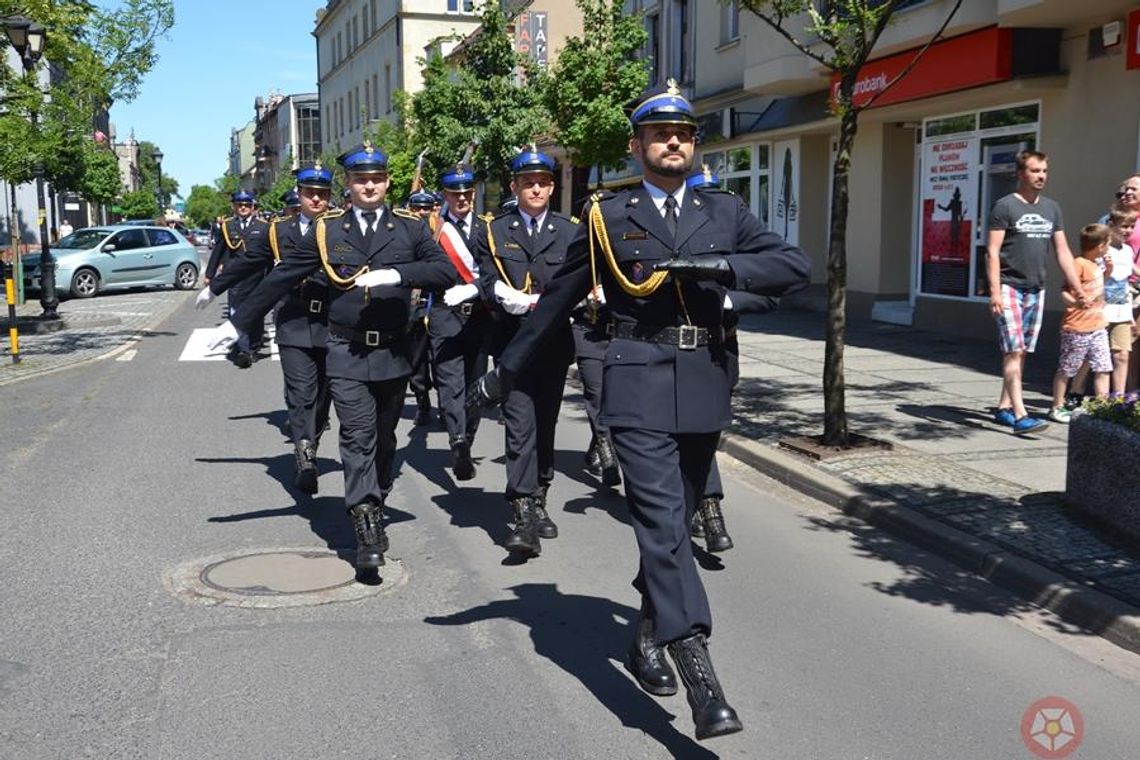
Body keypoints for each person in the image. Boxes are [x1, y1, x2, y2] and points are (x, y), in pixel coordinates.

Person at [467, 81, 810, 741]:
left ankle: (647, 633)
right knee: (660, 525)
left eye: (683, 133)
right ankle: (702, 678)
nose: (672, 141)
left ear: (693, 145)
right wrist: (504, 374)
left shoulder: (725, 211)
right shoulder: (607, 216)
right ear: (638, 145)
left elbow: (790, 266)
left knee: (676, 524)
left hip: (704, 381)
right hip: (636, 383)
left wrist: (718, 268)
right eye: (659, 134)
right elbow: (558, 299)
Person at [205, 142, 457, 571]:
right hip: (345, 349)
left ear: (387, 182)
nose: (370, 186)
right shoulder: (328, 230)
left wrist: (398, 273)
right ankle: (366, 521)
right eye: (361, 179)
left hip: (395, 350)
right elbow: (281, 275)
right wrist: (237, 320)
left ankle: (374, 493)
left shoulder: (411, 228)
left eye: (376, 178)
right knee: (356, 437)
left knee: (384, 438)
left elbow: (444, 271)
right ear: (349, 184)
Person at [197, 165, 336, 494]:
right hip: (293, 318)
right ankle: (304, 452)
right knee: (300, 392)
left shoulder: (338, 227)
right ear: (299, 195)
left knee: (324, 395)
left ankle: (311, 437)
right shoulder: (278, 230)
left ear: (329, 197)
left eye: (322, 194)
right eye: (309, 193)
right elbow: (247, 261)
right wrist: (214, 287)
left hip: (332, 320)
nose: (315, 199)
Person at [473, 147, 579, 555]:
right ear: (514, 187)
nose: (536, 189)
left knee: (546, 424)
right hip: (511, 343)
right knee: (519, 426)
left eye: (543, 183)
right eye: (528, 183)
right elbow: (482, 274)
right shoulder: (494, 230)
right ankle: (521, 513)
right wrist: (500, 292)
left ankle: (540, 498)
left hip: (553, 344)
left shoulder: (570, 231)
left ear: (552, 187)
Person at [985, 149, 1084, 435]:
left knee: (1022, 352)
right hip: (1009, 288)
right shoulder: (1004, 206)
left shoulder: (1052, 208)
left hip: (1036, 290)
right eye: (1034, 170)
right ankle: (1020, 415)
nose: (1041, 176)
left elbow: (1062, 251)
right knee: (1013, 351)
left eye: (1043, 171)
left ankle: (1004, 407)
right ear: (1020, 174)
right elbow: (991, 253)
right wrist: (994, 293)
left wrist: (1077, 288)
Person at [430, 161, 492, 480]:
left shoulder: (488, 228)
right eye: (455, 194)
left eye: (467, 192)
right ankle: (457, 440)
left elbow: (495, 274)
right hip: (445, 315)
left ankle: (467, 435)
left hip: (479, 319)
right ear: (446, 195)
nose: (462, 199)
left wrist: (475, 288)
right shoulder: (434, 230)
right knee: (450, 383)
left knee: (475, 385)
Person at [1048, 224, 1112, 421]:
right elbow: (1065, 290)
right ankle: (1057, 406)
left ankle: (1104, 408)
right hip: (1076, 328)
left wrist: (1109, 270)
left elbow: (1097, 285)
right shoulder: (1078, 263)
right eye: (1108, 243)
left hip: (1098, 326)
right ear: (1100, 246)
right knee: (1067, 368)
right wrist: (1075, 303)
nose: (1109, 247)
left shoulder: (1096, 265)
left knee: (1103, 367)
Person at [204, 190, 271, 368]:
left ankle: (254, 346)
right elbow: (218, 251)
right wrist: (210, 275)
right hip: (236, 277)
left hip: (257, 277)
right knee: (236, 311)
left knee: (256, 313)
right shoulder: (227, 226)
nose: (243, 208)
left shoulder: (264, 226)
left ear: (252, 206)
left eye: (247, 205)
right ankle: (243, 349)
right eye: (239, 205)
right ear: (234, 207)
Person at [406, 188, 439, 426]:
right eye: (416, 208)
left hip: (439, 304)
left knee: (441, 359)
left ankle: (448, 404)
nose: (421, 212)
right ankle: (422, 401)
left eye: (426, 208)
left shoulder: (442, 234)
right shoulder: (402, 234)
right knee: (416, 360)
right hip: (414, 306)